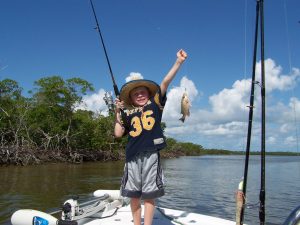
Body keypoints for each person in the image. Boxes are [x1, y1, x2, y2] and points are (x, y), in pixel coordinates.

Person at [114, 49, 187, 225]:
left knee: (149, 195)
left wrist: (178, 62)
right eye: (135, 93)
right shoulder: (127, 112)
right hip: (131, 157)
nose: (139, 94)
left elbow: (165, 82)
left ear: (149, 94)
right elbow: (118, 133)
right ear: (131, 97)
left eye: (143, 92)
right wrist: (117, 111)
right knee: (133, 196)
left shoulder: (155, 105)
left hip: (151, 155)